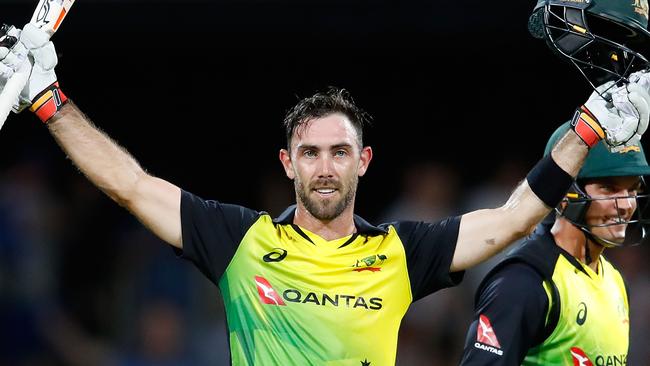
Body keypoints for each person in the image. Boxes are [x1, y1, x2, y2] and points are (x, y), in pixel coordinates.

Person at [1, 21, 649, 365]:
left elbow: (511, 220)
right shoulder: (241, 241)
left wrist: (588, 124)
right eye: (310, 152)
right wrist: (49, 103)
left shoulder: (402, 253)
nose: (325, 166)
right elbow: (130, 187)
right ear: (288, 163)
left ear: (363, 161)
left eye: (340, 151)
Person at [460, 1, 650, 364]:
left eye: (632, 188)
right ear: (564, 195)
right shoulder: (525, 283)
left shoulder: (614, 282)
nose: (626, 203)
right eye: (608, 188)